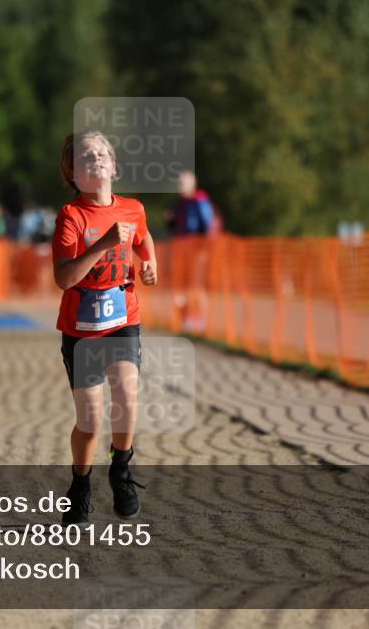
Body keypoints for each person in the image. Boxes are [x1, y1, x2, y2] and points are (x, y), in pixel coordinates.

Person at [52, 130, 158, 524]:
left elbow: (145, 241)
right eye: (85, 157)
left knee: (128, 396)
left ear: (114, 166)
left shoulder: (133, 209)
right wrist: (101, 245)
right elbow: (64, 279)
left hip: (123, 317)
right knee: (91, 420)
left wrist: (151, 265)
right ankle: (80, 483)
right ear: (74, 175)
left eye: (101, 154)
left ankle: (122, 469)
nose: (94, 159)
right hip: (81, 327)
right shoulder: (71, 217)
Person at [169, 170, 218, 333]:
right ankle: (185, 321)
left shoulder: (199, 200)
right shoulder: (180, 204)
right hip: (181, 246)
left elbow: (208, 224)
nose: (180, 186)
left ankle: (199, 321)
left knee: (196, 285)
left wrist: (204, 247)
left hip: (196, 247)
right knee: (181, 285)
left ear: (193, 183)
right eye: (179, 183)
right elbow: (175, 226)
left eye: (183, 182)